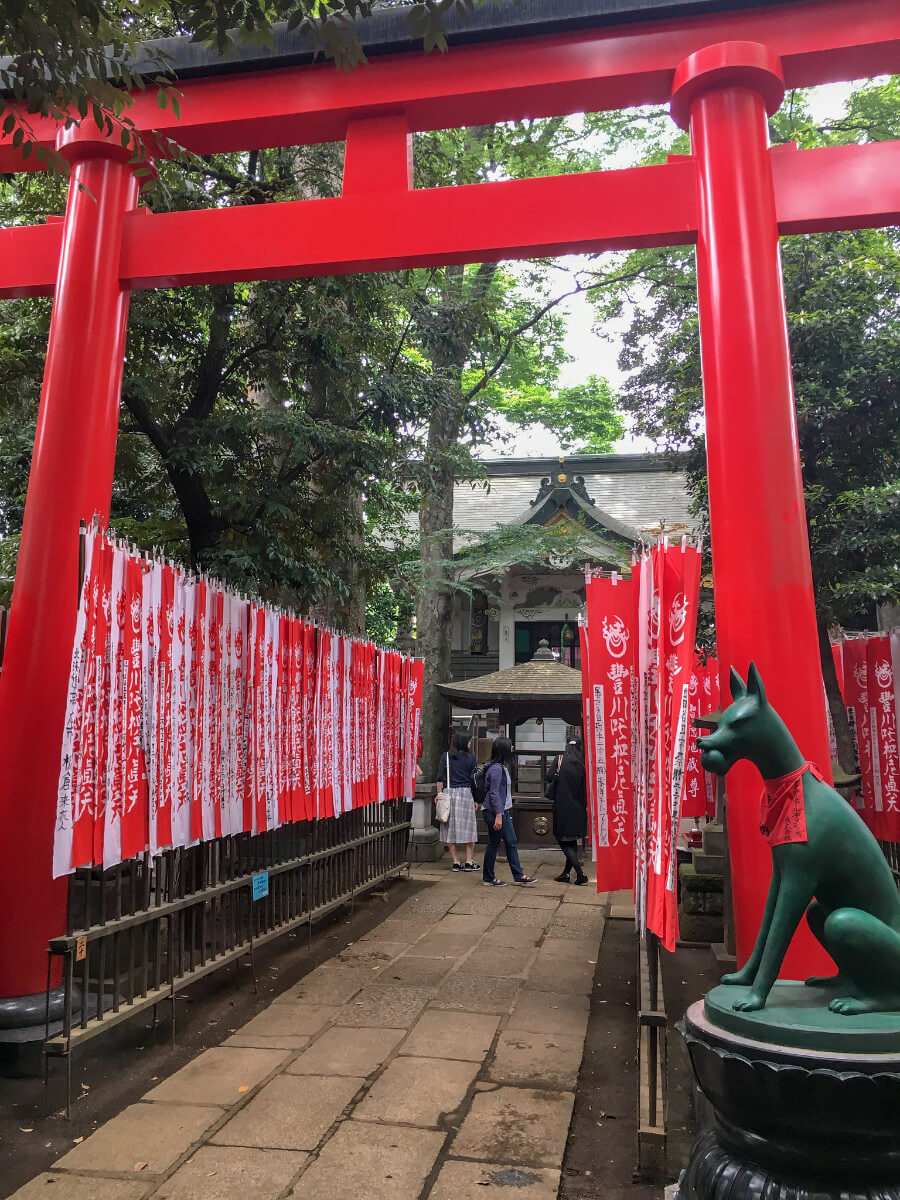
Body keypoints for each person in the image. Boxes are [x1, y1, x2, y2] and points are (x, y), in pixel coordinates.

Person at [481, 737, 536, 887]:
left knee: (511, 842)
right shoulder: (496, 769)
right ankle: (488, 877)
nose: (512, 749)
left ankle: (518, 875)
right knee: (494, 843)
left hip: (501, 811)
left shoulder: (500, 767)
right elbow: (494, 793)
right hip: (495, 812)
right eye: (510, 747)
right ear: (504, 750)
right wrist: (499, 815)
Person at [547, 738, 589, 885]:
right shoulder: (583, 763)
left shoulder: (559, 760)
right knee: (571, 841)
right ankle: (565, 874)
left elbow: (549, 777)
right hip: (578, 808)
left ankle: (580, 874)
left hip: (562, 806)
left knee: (562, 840)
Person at [436, 731, 479, 872]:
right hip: (466, 793)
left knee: (450, 828)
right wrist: (476, 799)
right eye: (469, 740)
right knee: (469, 828)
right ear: (464, 742)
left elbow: (440, 778)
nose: (470, 743)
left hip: (449, 794)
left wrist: (439, 795)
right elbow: (473, 781)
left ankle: (455, 862)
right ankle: (469, 861)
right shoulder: (472, 758)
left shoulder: (446, 757)